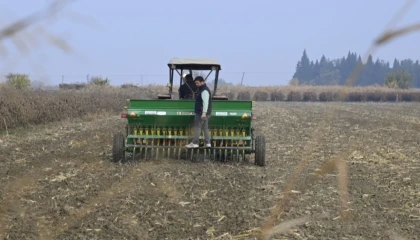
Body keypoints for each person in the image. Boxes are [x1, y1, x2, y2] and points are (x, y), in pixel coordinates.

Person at [185, 76, 212, 148]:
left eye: (198, 83)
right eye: (196, 83)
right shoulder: (202, 89)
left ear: (202, 82)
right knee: (205, 127)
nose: (196, 84)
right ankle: (208, 143)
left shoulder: (204, 91)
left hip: (201, 113)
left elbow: (205, 102)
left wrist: (204, 113)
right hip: (205, 113)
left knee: (197, 127)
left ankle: (195, 143)